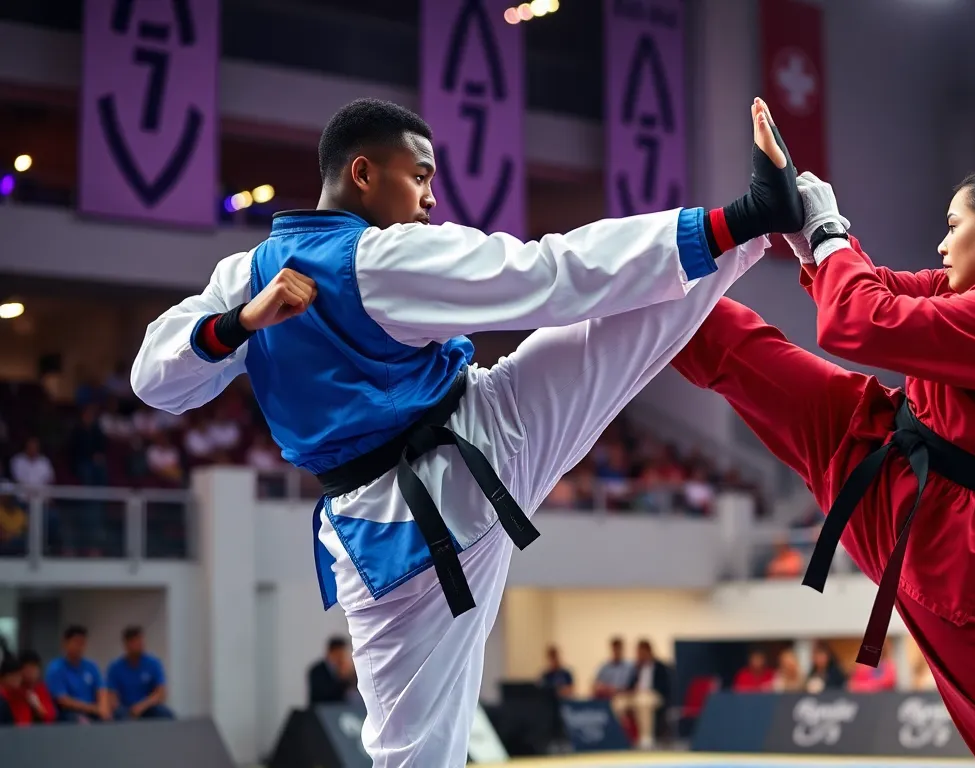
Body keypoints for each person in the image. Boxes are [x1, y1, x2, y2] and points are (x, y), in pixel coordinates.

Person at [130, 96, 801, 767]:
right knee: (416, 755)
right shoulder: (368, 261)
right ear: (362, 173)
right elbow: (550, 272)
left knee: (618, 315)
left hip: (468, 438)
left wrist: (233, 324)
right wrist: (242, 321)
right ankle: (757, 223)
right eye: (418, 176)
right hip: (424, 504)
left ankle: (760, 223)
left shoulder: (241, 275)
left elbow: (156, 380)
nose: (428, 197)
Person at [672, 168, 975, 766]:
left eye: (951, 226)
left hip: (952, 540)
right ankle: (621, 297)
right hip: (882, 446)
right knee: (721, 337)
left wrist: (828, 229)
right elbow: (876, 289)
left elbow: (858, 321)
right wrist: (812, 237)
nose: (941, 243)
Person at [611, 640, 672, 750]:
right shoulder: (636, 667)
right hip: (636, 695)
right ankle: (621, 737)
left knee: (642, 701)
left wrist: (647, 691)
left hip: (654, 696)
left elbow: (665, 687)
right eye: (637, 652)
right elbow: (630, 685)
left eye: (641, 652)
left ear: (648, 651)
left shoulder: (660, 666)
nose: (638, 654)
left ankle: (646, 739)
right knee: (618, 702)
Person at [45, 625, 112, 722]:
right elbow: (63, 700)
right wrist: (93, 708)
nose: (80, 647)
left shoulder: (91, 666)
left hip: (93, 710)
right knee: (80, 721)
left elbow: (101, 690)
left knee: (116, 715)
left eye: (82, 643)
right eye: (76, 642)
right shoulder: (56, 668)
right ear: (65, 643)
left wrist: (104, 709)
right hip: (69, 712)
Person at [106, 626, 173, 719]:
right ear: (127, 644)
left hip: (147, 707)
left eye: (141, 641)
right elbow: (112, 696)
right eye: (135, 642)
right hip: (126, 709)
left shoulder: (153, 663)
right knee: (118, 715)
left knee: (166, 714)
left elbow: (160, 693)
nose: (140, 644)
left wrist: (142, 706)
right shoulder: (115, 667)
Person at [308, 636, 357, 706]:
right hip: (322, 711)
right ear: (331, 653)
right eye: (339, 654)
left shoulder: (347, 669)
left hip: (343, 709)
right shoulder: (317, 671)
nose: (342, 657)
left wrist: (351, 676)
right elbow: (323, 694)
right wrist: (342, 678)